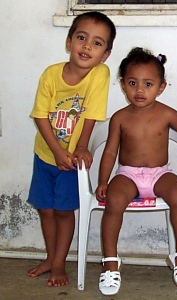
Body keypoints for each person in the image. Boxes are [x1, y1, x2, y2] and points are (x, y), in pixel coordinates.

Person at [95, 47, 177, 296]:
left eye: (148, 84)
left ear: (161, 87)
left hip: (159, 173)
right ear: (123, 85)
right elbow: (111, 152)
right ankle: (111, 263)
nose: (140, 90)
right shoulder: (120, 118)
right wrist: (103, 180)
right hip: (127, 174)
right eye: (133, 83)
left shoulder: (166, 113)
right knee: (113, 201)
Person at [27, 12, 116, 287]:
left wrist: (81, 146)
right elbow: (41, 116)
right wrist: (55, 151)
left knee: (64, 212)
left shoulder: (100, 74)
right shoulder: (51, 75)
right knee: (45, 209)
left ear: (106, 54)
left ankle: (58, 264)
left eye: (97, 43)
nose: (87, 46)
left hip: (73, 161)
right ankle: (50, 257)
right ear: (69, 42)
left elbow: (91, 114)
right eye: (81, 38)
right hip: (45, 154)